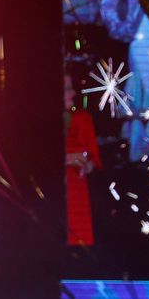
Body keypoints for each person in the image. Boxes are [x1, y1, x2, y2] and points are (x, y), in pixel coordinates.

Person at [64, 71, 101, 245]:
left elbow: (95, 160)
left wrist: (88, 165)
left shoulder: (83, 119)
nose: (73, 93)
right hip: (54, 196)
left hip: (79, 194)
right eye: (67, 89)